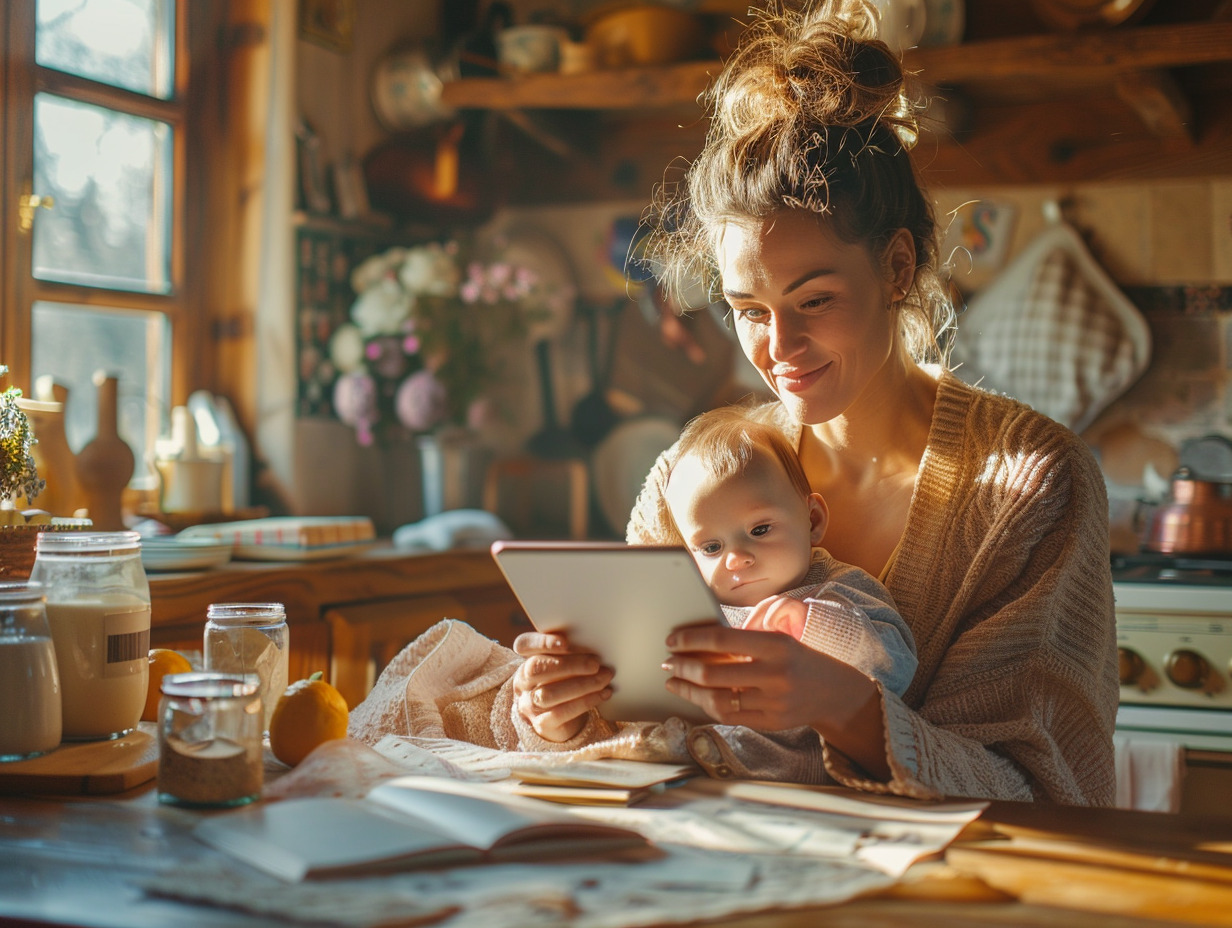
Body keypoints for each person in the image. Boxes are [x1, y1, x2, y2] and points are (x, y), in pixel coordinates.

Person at [509, 0, 1119, 805]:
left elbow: (1048, 791)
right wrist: (562, 717)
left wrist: (844, 706)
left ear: (897, 268)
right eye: (750, 310)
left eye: (815, 300)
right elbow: (655, 738)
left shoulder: (1032, 487)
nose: (780, 349)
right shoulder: (690, 478)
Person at [663, 403, 916, 698]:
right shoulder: (700, 608)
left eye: (759, 530)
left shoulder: (840, 588)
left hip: (789, 741)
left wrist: (814, 622)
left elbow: (897, 667)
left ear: (813, 521)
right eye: (711, 547)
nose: (735, 559)